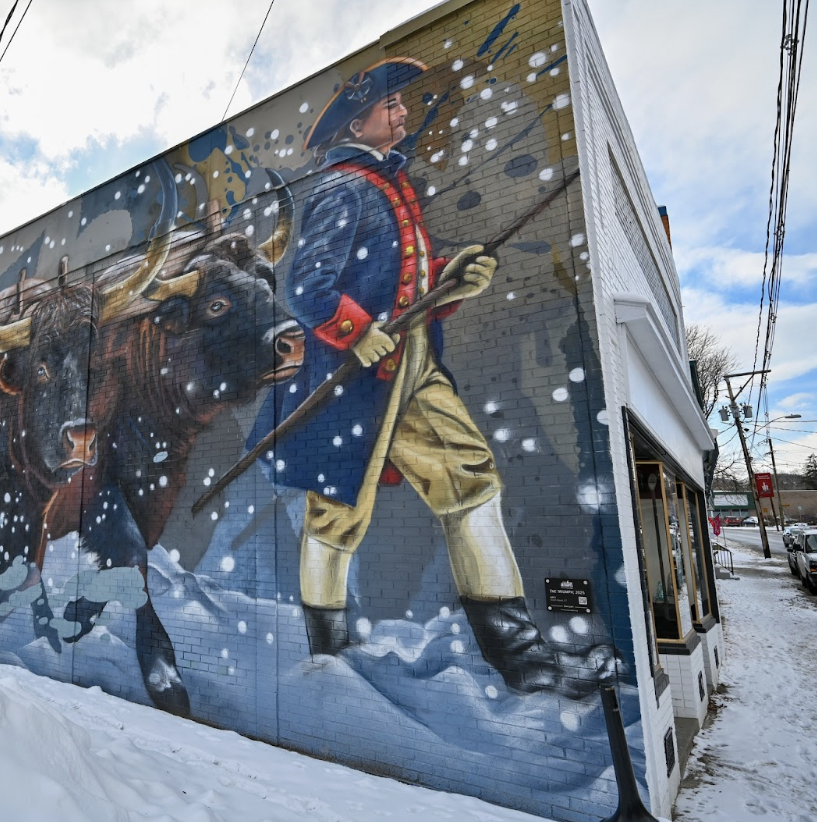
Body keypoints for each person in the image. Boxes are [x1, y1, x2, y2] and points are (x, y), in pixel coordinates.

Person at [256, 57, 614, 698]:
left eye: (400, 104)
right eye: (390, 105)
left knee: (472, 483)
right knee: (336, 516)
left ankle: (523, 659)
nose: (402, 113)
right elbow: (309, 287)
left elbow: (403, 280)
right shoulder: (344, 187)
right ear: (357, 121)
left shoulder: (390, 186)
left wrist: (453, 277)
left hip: (413, 361)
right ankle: (328, 659)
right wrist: (354, 331)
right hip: (358, 378)